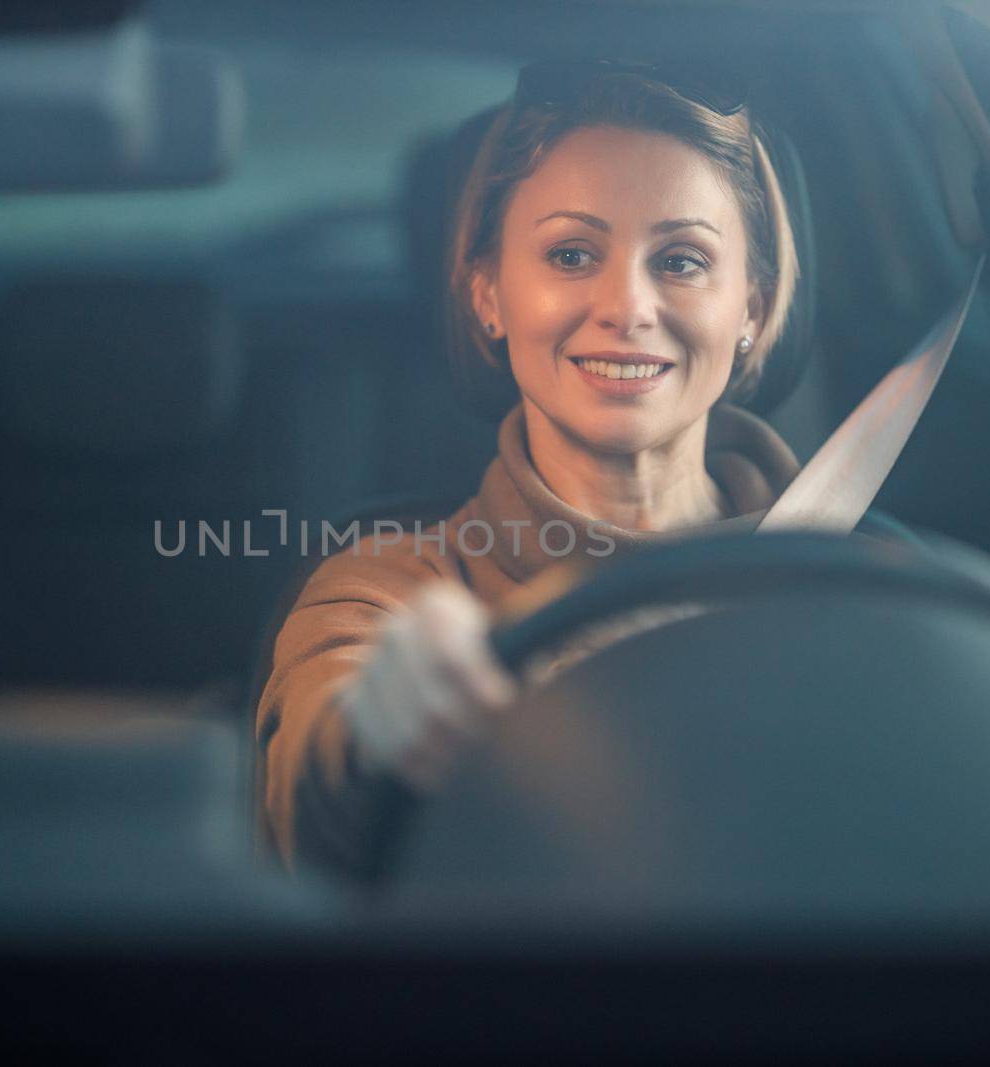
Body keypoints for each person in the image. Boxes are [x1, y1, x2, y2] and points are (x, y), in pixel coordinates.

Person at [256, 60, 802, 877]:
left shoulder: (869, 580)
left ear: (752, 308)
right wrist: (381, 733)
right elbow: (311, 797)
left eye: (682, 261)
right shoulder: (383, 589)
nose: (626, 307)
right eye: (573, 254)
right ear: (488, 294)